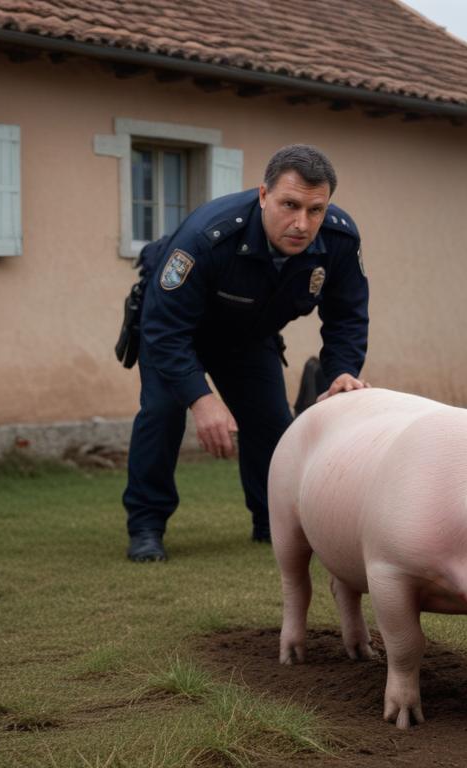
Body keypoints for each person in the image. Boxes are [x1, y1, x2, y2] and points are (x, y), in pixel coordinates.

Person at [123, 144, 370, 562]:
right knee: (163, 413)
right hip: (177, 333)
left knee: (273, 424)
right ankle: (147, 526)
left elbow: (346, 316)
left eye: (315, 209)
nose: (302, 223)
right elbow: (164, 328)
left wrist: (342, 373)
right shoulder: (208, 235)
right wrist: (202, 400)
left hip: (249, 337)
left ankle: (270, 521)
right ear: (262, 195)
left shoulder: (340, 237)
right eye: (289, 205)